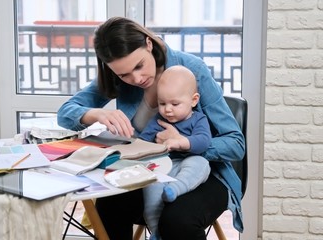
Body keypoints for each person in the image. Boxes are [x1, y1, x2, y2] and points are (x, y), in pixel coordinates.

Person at [57, 16, 245, 240]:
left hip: (205, 172)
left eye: (139, 66)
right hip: (150, 170)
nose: (136, 78)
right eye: (124, 74)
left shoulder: (191, 69)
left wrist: (184, 144)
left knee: (177, 220)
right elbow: (65, 112)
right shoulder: (117, 77)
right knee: (110, 204)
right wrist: (96, 113)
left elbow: (235, 144)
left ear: (148, 44)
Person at [139, 65, 212, 240]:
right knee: (151, 187)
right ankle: (156, 231)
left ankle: (175, 189)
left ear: (193, 100)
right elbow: (142, 142)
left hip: (188, 163)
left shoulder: (198, 119)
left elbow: (204, 141)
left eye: (175, 104)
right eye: (162, 103)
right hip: (163, 166)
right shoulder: (158, 119)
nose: (167, 109)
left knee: (200, 164)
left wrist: (181, 142)